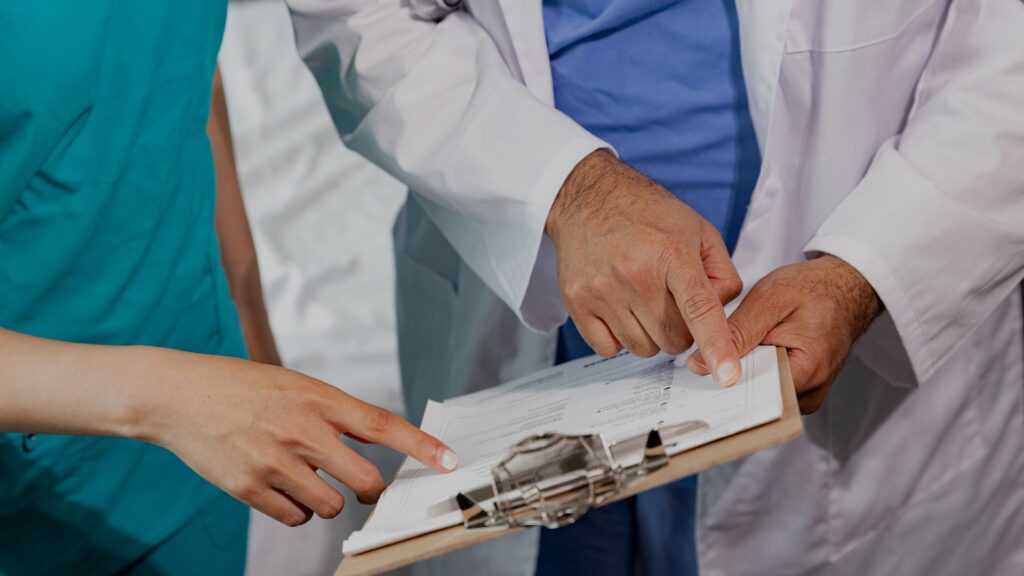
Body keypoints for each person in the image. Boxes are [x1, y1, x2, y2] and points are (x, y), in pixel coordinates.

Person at [289, 0, 1024, 574]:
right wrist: (570, 192)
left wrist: (863, 273)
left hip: (851, 290)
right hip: (534, 291)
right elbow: (358, 19)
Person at [0, 3, 456, 575]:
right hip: (43, 479)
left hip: (195, 421)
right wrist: (170, 399)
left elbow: (184, 72)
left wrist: (248, 315)